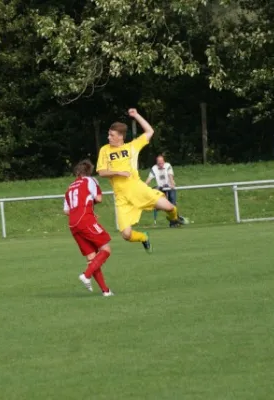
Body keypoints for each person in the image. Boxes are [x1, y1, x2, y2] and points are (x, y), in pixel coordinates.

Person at [96, 108, 185, 253]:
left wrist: (136, 115)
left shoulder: (132, 147)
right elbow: (101, 171)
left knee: (169, 207)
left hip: (138, 189)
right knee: (126, 235)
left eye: (111, 135)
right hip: (122, 198)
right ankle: (144, 237)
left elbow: (150, 131)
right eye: (108, 134)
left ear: (120, 136)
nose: (108, 137)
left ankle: (174, 219)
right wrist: (117, 172)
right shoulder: (105, 150)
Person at [64, 159, 114, 296]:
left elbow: (66, 210)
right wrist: (88, 211)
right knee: (106, 249)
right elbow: (98, 198)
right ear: (89, 171)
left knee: (92, 258)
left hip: (73, 224)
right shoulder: (90, 181)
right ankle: (86, 275)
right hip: (85, 220)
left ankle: (106, 291)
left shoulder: (69, 187)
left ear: (77, 173)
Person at [145, 155, 187, 226]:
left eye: (162, 162)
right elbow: (149, 179)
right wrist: (144, 186)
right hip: (161, 188)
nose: (161, 164)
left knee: (172, 204)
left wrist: (172, 183)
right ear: (156, 163)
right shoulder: (154, 168)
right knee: (164, 205)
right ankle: (176, 219)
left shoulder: (168, 165)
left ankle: (174, 221)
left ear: (164, 161)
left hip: (170, 187)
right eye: (159, 163)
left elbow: (170, 175)